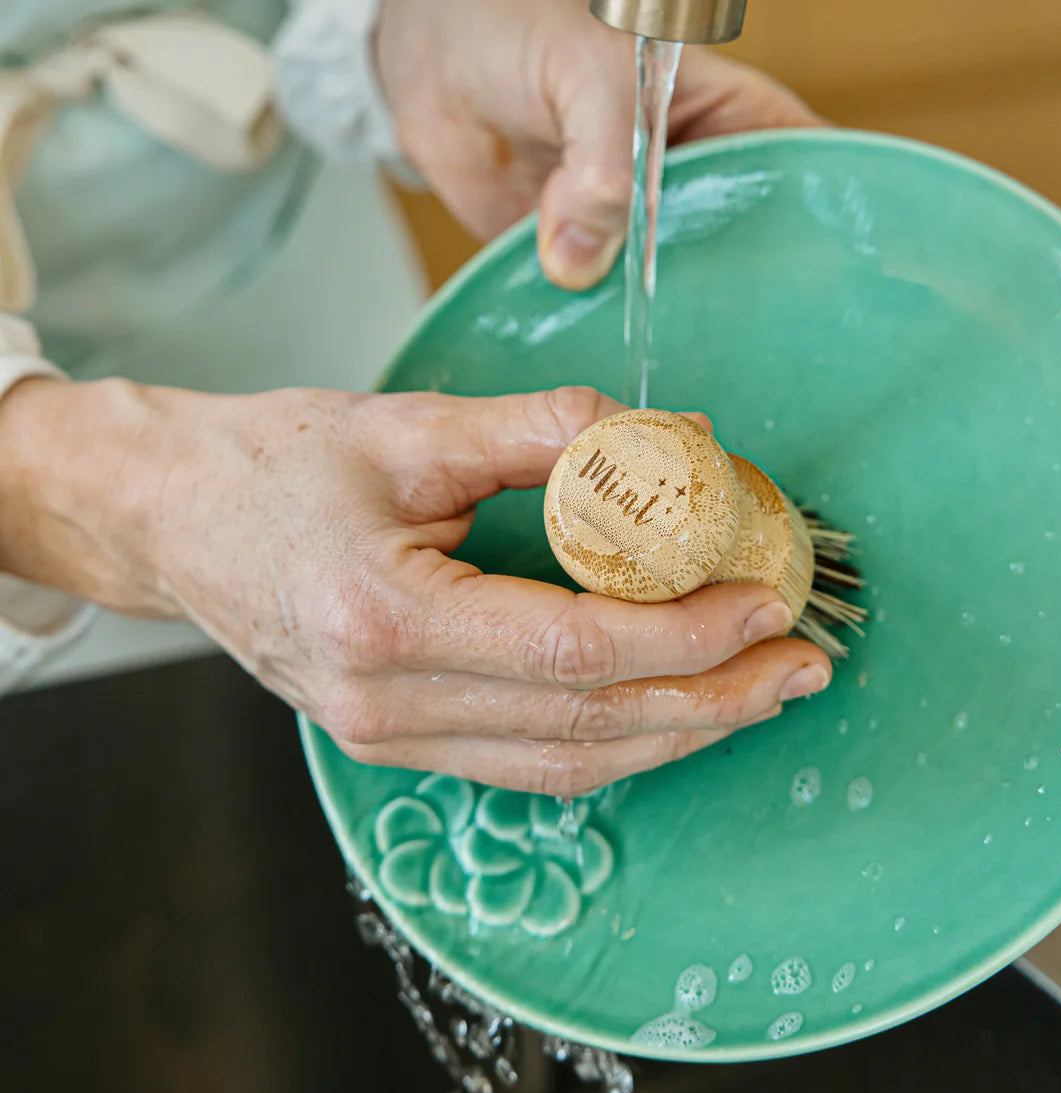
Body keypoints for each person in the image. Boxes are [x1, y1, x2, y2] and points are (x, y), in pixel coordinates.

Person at [0, 0, 833, 795]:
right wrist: (90, 497)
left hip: (286, 269)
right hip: (45, 624)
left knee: (429, 666)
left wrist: (408, 26)